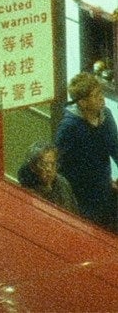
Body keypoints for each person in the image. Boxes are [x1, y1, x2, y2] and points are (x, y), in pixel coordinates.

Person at [57, 71, 118, 225]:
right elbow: (61, 166)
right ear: (82, 102)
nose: (102, 98)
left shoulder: (106, 116)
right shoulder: (69, 128)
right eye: (96, 95)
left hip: (104, 189)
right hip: (81, 197)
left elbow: (115, 148)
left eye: (101, 93)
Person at [19, 142, 78, 211]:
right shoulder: (25, 190)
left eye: (53, 164)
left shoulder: (63, 183)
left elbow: (74, 211)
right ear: (33, 167)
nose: (49, 169)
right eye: (44, 164)